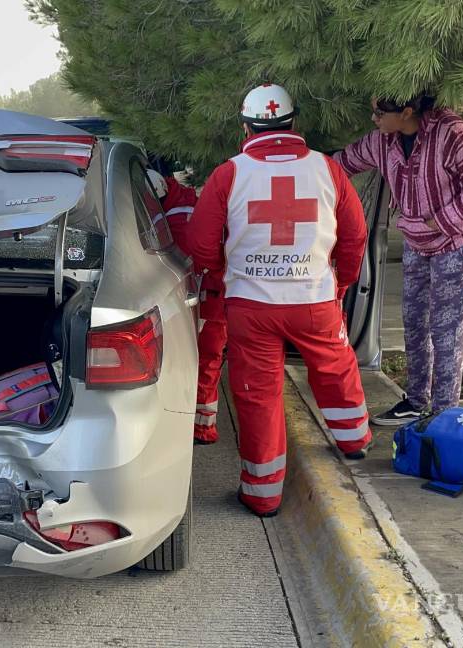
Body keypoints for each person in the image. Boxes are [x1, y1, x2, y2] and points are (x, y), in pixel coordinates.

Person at [185, 83, 372, 517]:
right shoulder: (327, 169)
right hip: (315, 298)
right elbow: (355, 235)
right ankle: (354, 440)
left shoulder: (229, 173)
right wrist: (340, 283)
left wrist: (223, 276)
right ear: (293, 122)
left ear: (246, 125)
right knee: (334, 365)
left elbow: (201, 243)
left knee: (258, 394)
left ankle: (262, 494)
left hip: (252, 305)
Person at [334, 95, 463, 425]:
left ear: (407, 112)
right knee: (414, 321)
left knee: (446, 329)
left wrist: (439, 221)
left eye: (380, 113)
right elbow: (344, 162)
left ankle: (444, 415)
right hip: (416, 240)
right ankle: (416, 401)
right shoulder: (384, 140)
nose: (374, 119)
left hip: (457, 240)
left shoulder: (452, 133)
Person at [147, 169, 227, 445]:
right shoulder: (184, 203)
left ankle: (190, 425)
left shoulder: (168, 216)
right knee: (207, 360)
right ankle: (202, 426)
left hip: (196, 296)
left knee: (184, 360)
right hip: (212, 295)